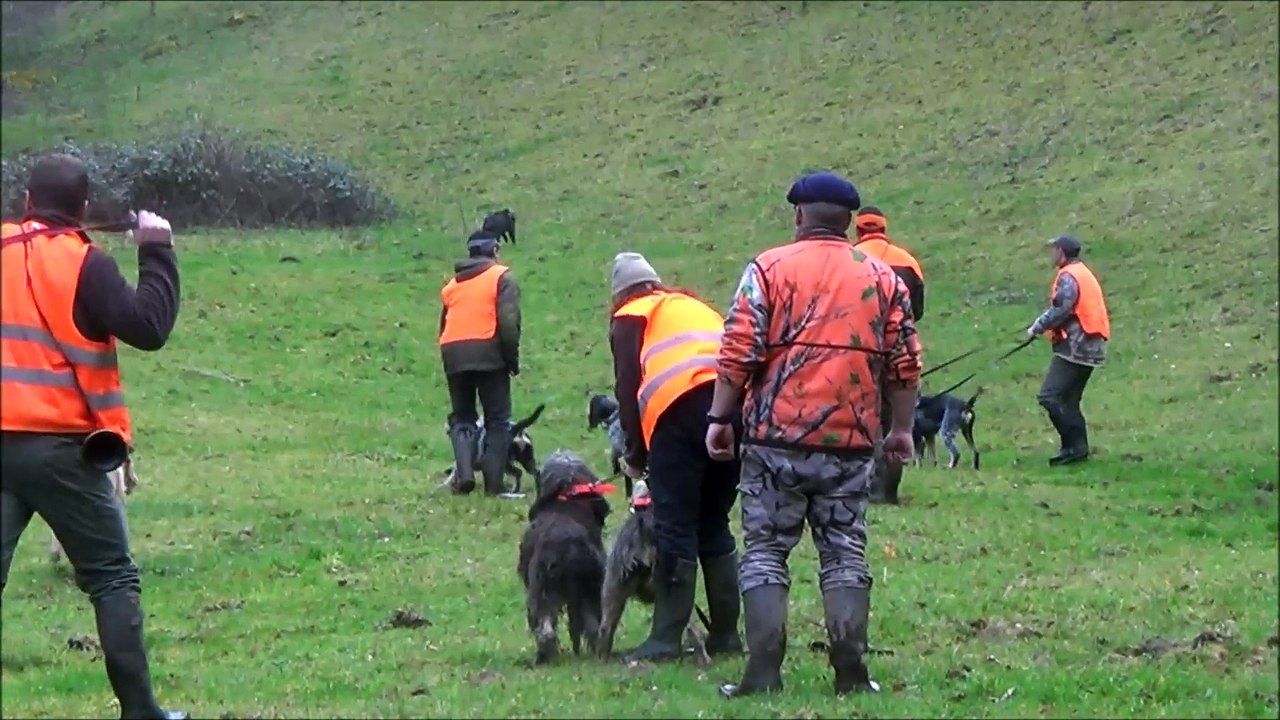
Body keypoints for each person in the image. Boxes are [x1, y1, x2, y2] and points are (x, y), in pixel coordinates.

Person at [705, 172, 922, 698]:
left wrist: (719, 417)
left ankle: (762, 673)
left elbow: (739, 349)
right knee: (845, 551)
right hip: (849, 445)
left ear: (799, 215)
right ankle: (850, 673)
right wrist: (900, 430)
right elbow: (905, 363)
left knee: (764, 553)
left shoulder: (769, 269)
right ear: (847, 221)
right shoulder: (882, 277)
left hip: (774, 442)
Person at [1, 154, 186, 720]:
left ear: (27, 201)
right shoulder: (86, 263)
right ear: (82, 208)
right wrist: (157, 250)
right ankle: (141, 713)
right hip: (60, 448)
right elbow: (148, 328)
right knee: (111, 577)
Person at [608, 252, 743, 663]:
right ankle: (725, 635)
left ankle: (665, 640)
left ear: (621, 294)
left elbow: (627, 386)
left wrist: (634, 453)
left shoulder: (631, 314)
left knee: (675, 526)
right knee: (713, 522)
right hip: (734, 411)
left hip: (677, 411)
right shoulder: (693, 306)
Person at [438, 230, 522, 495]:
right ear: (495, 250)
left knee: (462, 417)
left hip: (453, 352)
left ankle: (464, 475)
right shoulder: (501, 278)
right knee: (497, 420)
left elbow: (444, 325)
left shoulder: (452, 285)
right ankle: (494, 486)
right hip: (488, 352)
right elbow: (509, 323)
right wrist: (511, 360)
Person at [852, 206, 926, 505]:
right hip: (898, 351)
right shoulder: (908, 262)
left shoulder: (851, 258)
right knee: (895, 421)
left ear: (857, 230)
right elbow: (917, 311)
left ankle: (862, 486)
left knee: (863, 419)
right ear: (884, 229)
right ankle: (887, 492)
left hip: (858, 352)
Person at [1024, 234, 1109, 466]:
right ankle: (1077, 449)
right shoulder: (1082, 272)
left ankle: (1072, 448)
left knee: (1050, 396)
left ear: (1062, 252)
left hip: (1076, 347)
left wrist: (1036, 328)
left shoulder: (1069, 277)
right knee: (1069, 401)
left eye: (1054, 250)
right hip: (1091, 346)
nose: (1051, 254)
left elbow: (1061, 309)